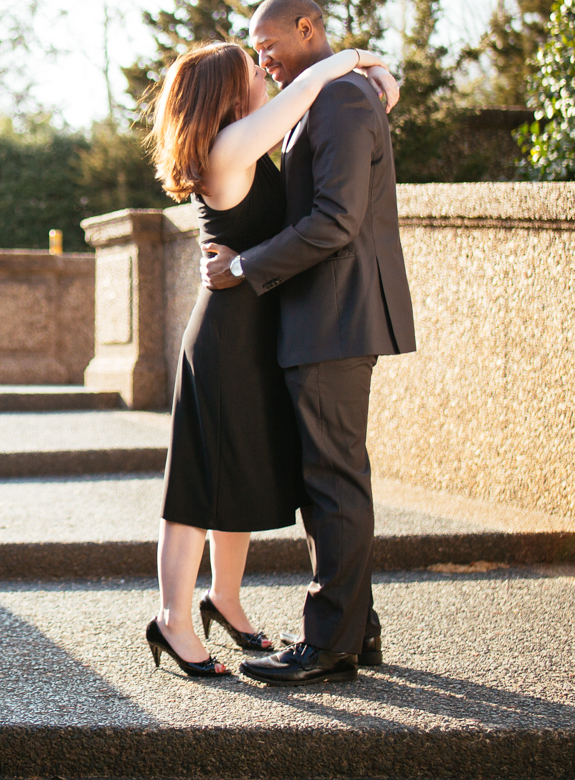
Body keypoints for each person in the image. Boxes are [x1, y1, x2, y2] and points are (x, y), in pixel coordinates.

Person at [143, 35, 398, 679]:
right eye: (249, 68)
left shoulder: (237, 141)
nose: (263, 74)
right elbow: (305, 96)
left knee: (238, 477)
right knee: (198, 487)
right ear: (228, 93)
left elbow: (334, 113)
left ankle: (223, 599)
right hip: (228, 336)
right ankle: (173, 622)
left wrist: (379, 80)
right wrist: (349, 60)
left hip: (254, 330)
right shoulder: (230, 148)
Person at [204, 0, 417, 687]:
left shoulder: (343, 101)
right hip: (319, 316)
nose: (262, 54)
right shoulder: (322, 96)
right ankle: (358, 630)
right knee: (325, 477)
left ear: (308, 28)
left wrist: (243, 266)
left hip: (334, 315)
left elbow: (335, 220)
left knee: (332, 480)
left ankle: (328, 645)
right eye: (255, 47)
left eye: (270, 42)